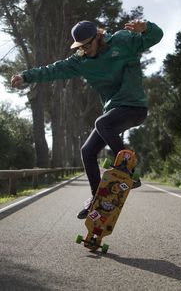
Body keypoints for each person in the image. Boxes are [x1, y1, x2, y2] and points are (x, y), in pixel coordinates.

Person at [11, 19, 163, 219]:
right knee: (87, 150)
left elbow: (155, 37)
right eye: (80, 46)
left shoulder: (122, 41)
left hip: (134, 107)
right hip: (114, 111)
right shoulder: (80, 60)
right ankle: (96, 198)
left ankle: (129, 170)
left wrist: (147, 27)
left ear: (98, 37)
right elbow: (53, 70)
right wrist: (26, 76)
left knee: (101, 123)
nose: (84, 49)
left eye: (87, 45)